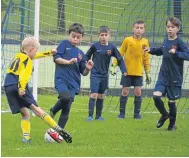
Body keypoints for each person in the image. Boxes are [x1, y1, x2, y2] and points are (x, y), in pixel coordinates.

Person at [3, 36, 72, 143]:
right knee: (36, 109)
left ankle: (26, 138)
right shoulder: (28, 61)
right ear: (31, 49)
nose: (36, 53)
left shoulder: (19, 56)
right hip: (19, 84)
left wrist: (49, 52)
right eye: (36, 50)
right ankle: (59, 129)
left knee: (25, 114)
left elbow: (33, 56)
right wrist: (21, 88)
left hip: (8, 85)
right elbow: (24, 75)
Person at [144, 17, 189, 131]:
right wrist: (151, 50)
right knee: (156, 96)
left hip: (175, 76)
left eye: (172, 27)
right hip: (163, 74)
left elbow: (187, 55)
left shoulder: (179, 42)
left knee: (171, 101)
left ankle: (172, 124)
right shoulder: (165, 41)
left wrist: (176, 53)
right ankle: (164, 114)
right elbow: (161, 50)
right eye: (168, 27)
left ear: (177, 29)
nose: (170, 29)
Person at [49, 23, 94, 128]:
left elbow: (83, 73)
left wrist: (87, 68)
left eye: (78, 37)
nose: (75, 39)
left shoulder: (81, 54)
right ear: (69, 35)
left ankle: (59, 133)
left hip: (74, 84)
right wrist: (68, 62)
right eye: (73, 36)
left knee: (67, 108)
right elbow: (56, 59)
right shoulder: (64, 44)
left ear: (81, 38)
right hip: (61, 80)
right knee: (65, 98)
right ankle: (53, 110)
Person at [111, 20, 151, 119]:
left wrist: (148, 73)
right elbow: (120, 54)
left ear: (144, 30)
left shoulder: (145, 42)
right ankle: (121, 114)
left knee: (138, 92)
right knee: (125, 91)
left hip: (138, 73)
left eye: (141, 28)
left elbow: (146, 58)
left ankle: (137, 114)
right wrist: (113, 65)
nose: (139, 30)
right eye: (137, 27)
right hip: (127, 72)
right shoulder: (127, 40)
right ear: (133, 28)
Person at [85, 26, 127, 121]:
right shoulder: (95, 46)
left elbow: (119, 59)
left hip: (104, 75)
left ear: (109, 36)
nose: (104, 37)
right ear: (99, 36)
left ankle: (98, 116)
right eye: (102, 35)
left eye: (106, 35)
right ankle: (90, 116)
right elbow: (86, 56)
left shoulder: (111, 47)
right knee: (94, 94)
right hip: (95, 74)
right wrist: (84, 63)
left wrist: (123, 70)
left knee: (101, 95)